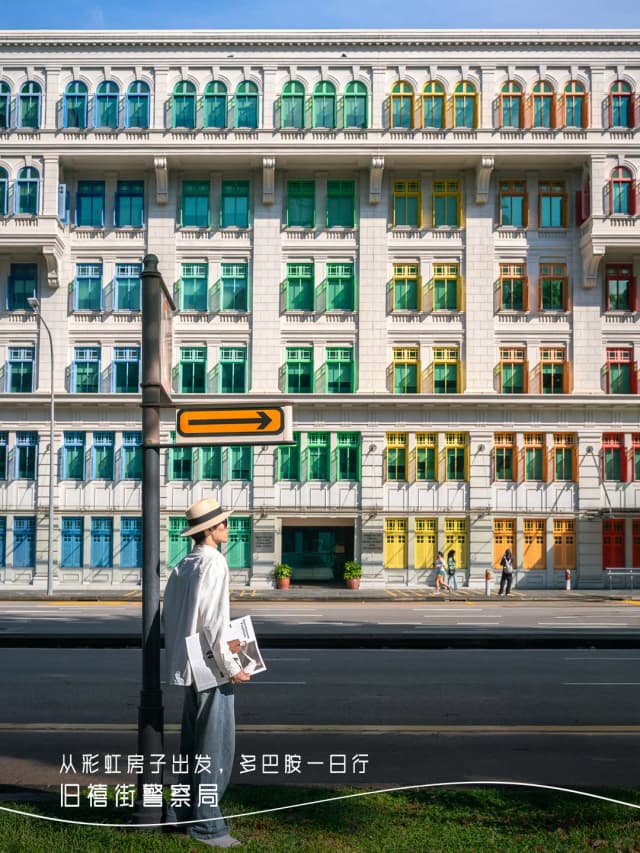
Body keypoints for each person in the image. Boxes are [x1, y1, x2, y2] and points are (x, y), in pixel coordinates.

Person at [163, 498, 250, 849]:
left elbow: (173, 618)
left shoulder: (184, 563)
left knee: (191, 746)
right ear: (210, 531)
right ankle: (208, 826)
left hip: (190, 662)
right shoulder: (214, 563)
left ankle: (178, 813)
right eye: (224, 524)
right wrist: (233, 667)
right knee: (214, 748)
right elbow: (215, 622)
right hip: (212, 665)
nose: (228, 529)